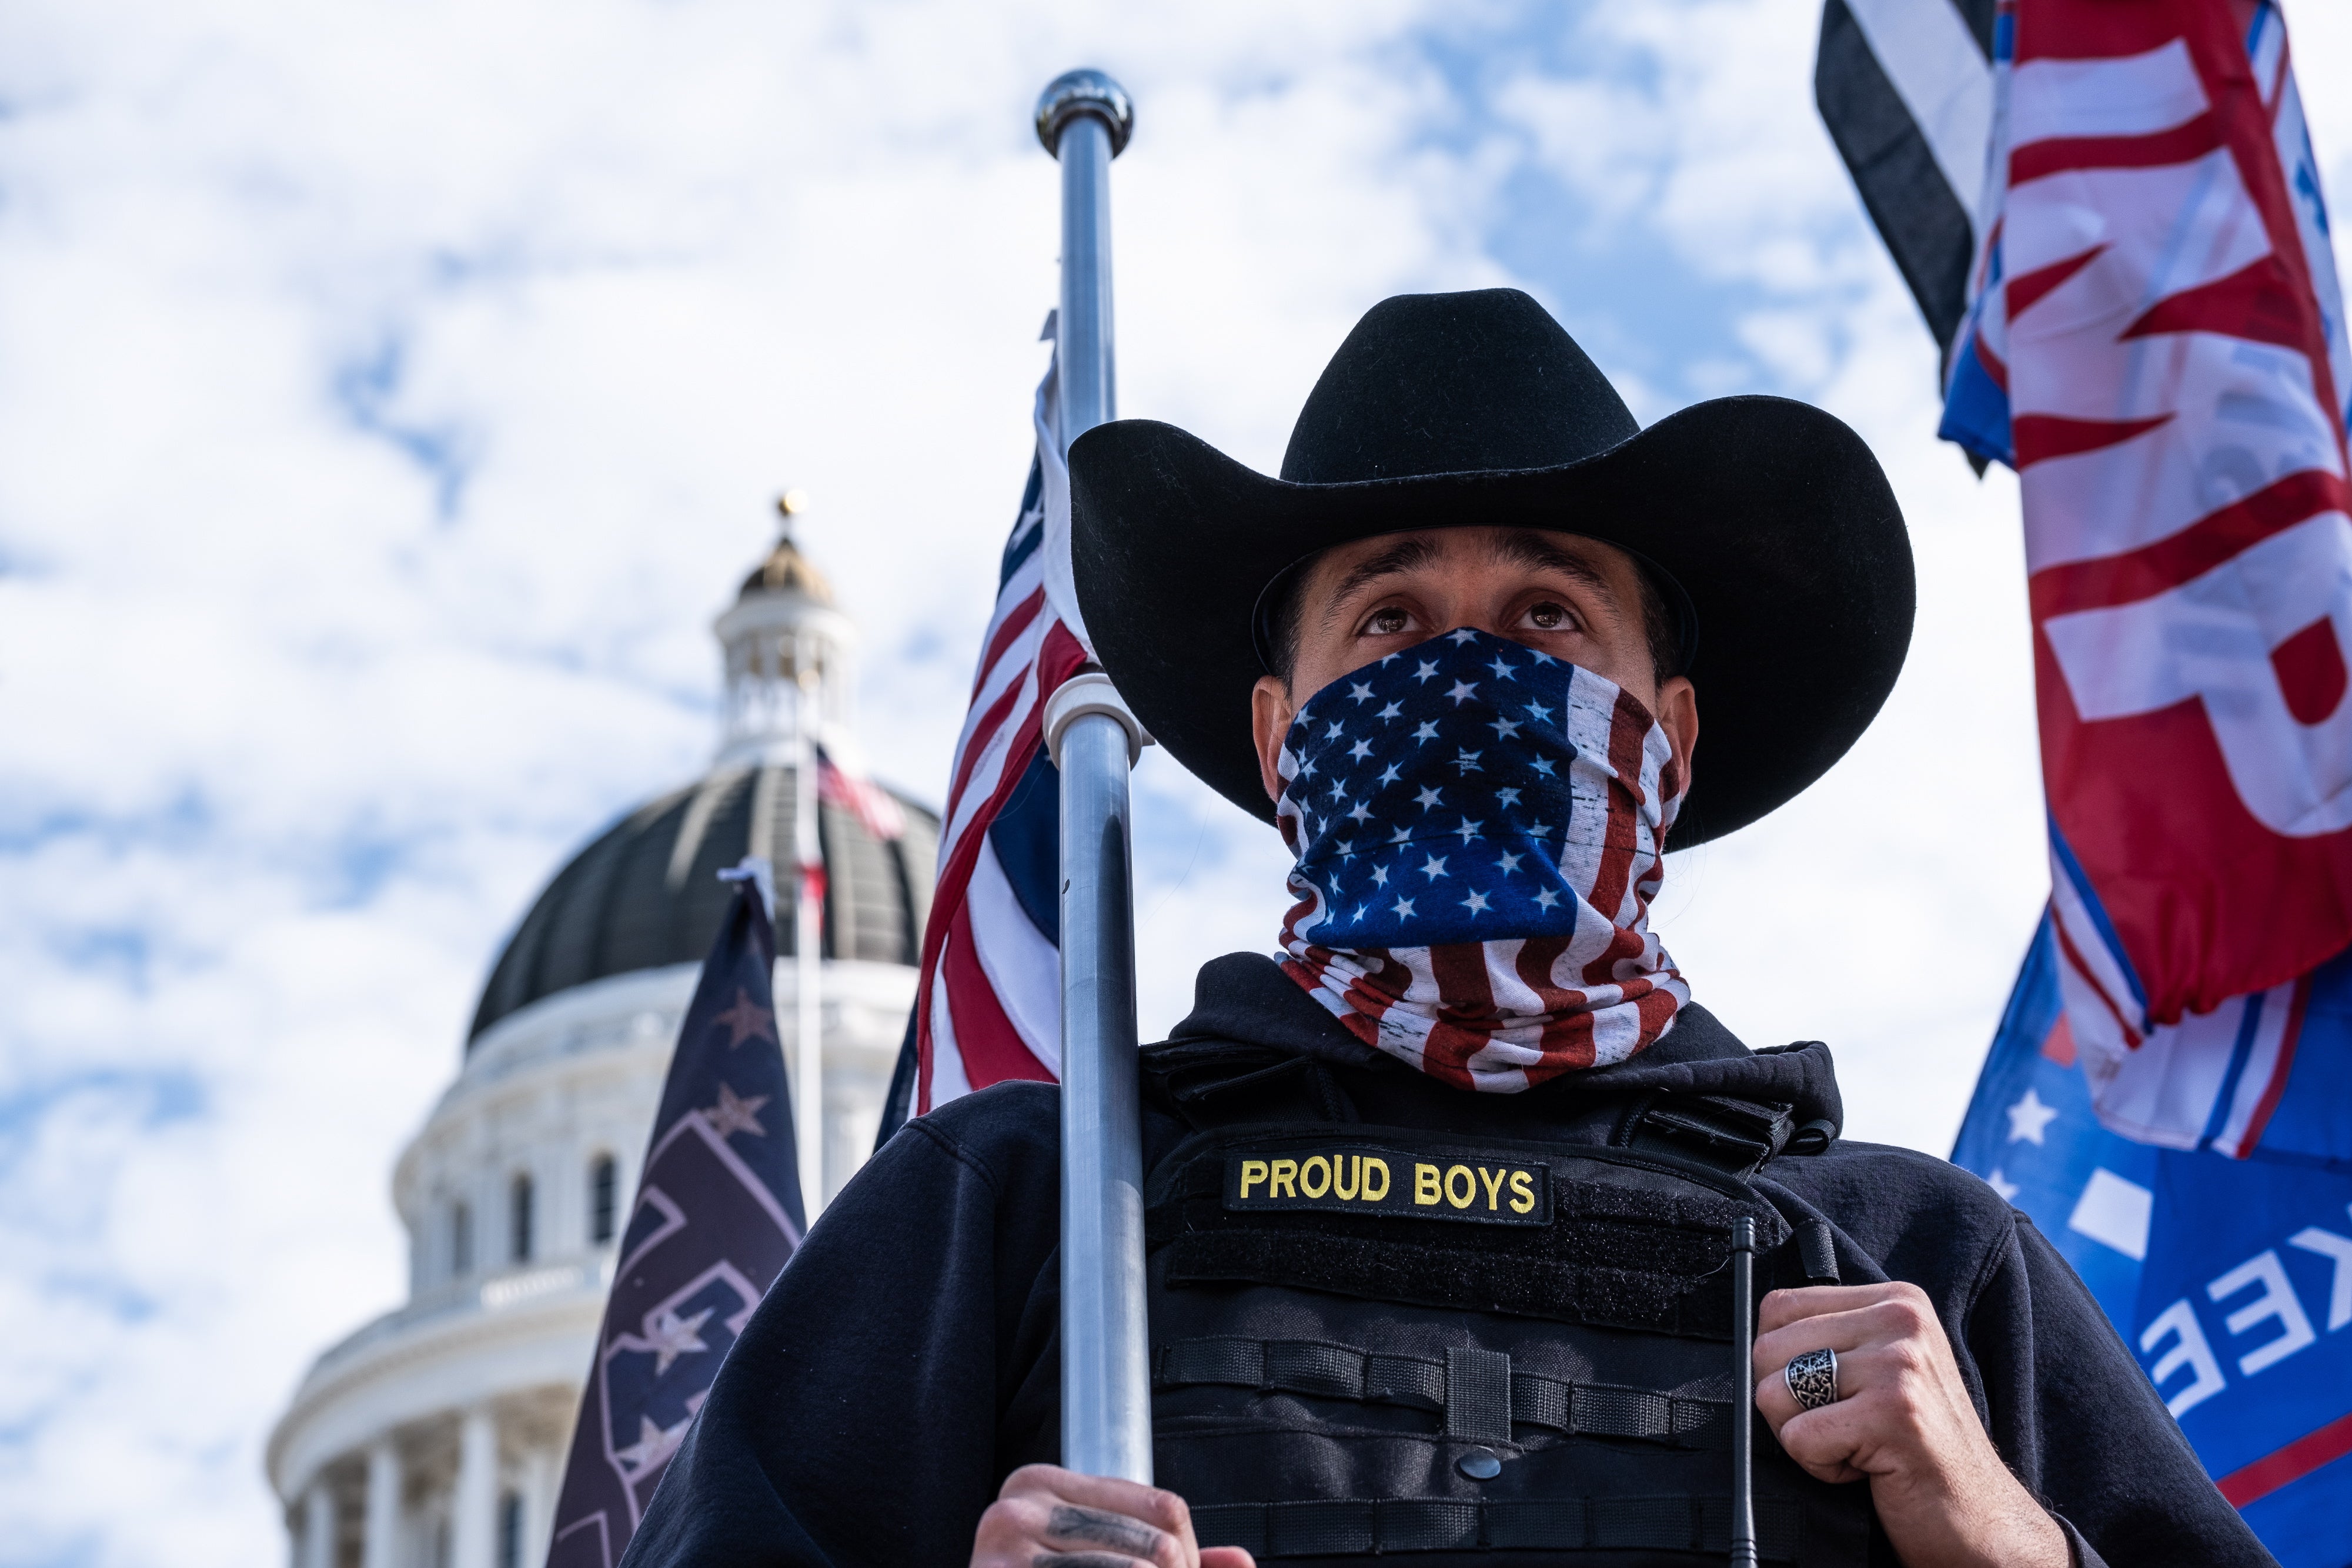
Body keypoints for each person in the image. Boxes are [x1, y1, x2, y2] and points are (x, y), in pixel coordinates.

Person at [619, 290, 2274, 1568]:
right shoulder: (1018, 1213)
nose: (1464, 676)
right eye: (1392, 621)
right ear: (1281, 739)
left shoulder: (1925, 1262)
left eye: (1546, 616)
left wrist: (2010, 1535)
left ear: (1669, 736)